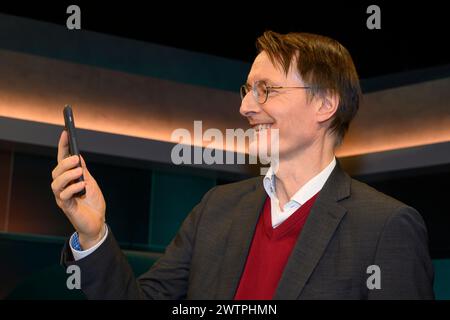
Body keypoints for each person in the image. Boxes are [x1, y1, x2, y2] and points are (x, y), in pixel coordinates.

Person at [51, 31, 434, 299]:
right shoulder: (215, 210)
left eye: (264, 90)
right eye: (246, 91)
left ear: (325, 104)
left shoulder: (385, 227)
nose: (246, 107)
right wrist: (93, 235)